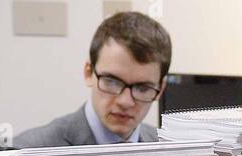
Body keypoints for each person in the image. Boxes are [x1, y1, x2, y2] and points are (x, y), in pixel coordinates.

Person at [15, 12, 171, 148]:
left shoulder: (171, 153)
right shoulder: (26, 153)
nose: (125, 102)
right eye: (112, 81)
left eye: (143, 88)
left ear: (161, 89)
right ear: (89, 73)